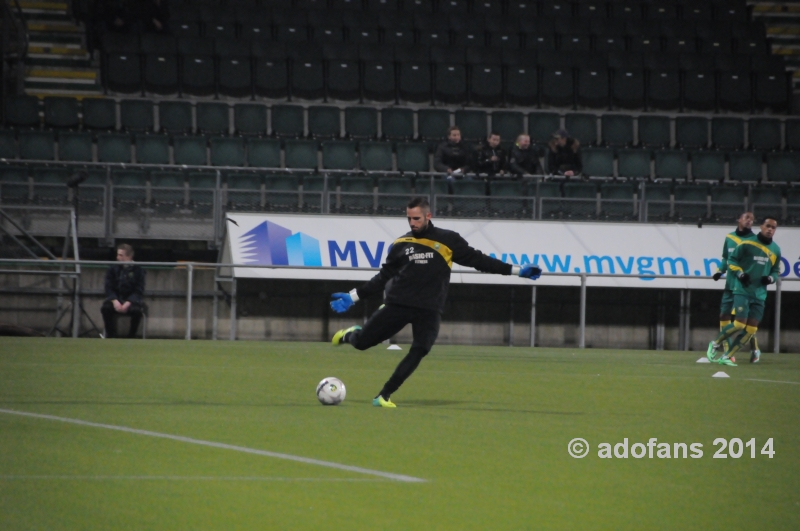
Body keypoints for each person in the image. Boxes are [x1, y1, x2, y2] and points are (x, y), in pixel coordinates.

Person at [328, 197, 543, 407]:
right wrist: (353, 296)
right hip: (398, 304)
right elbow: (382, 278)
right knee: (362, 343)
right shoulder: (401, 244)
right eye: (409, 219)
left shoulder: (448, 240)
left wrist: (516, 271)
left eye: (417, 219)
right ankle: (350, 335)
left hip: (429, 309)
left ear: (428, 216)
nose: (413, 223)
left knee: (420, 349)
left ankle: (384, 395)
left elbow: (479, 261)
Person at [707, 216, 781, 366]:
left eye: (773, 228)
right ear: (761, 226)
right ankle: (715, 343)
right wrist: (740, 274)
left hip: (759, 294)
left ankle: (727, 356)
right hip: (742, 290)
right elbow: (731, 260)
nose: (770, 230)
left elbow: (775, 271)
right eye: (768, 226)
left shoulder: (776, 250)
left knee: (751, 329)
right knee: (740, 324)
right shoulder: (747, 243)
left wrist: (771, 279)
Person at [711, 212, 760, 361]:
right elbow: (726, 258)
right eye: (747, 218)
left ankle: (755, 349)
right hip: (730, 284)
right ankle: (727, 350)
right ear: (739, 219)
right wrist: (720, 270)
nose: (749, 221)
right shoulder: (730, 238)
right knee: (724, 315)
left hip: (745, 287)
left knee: (743, 322)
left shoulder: (755, 240)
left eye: (752, 219)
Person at [101, 244, 146, 338]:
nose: (118, 257)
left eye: (121, 255)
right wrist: (114, 300)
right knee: (106, 308)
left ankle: (131, 336)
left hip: (132, 301)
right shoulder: (112, 269)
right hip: (116, 299)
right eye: (118, 255)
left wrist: (129, 302)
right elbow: (108, 287)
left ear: (129, 256)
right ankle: (110, 336)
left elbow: (139, 289)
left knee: (137, 311)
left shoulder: (138, 270)